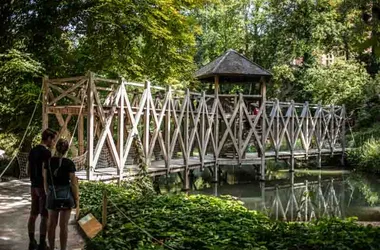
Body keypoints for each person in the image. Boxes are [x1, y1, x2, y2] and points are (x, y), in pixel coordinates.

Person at [43, 138, 79, 250]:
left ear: (56, 147)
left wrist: (48, 193)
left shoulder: (48, 162)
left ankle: (52, 247)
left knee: (51, 225)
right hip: (66, 197)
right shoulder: (69, 163)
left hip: (52, 196)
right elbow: (73, 183)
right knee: (64, 226)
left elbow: (45, 179)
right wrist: (76, 198)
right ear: (67, 149)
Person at [28, 128, 57, 250]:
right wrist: (48, 188)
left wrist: (33, 180)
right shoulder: (46, 153)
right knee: (45, 216)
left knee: (33, 214)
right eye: (53, 139)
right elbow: (46, 173)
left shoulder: (33, 150)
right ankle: (42, 243)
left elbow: (28, 169)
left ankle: (31, 241)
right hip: (42, 187)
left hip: (33, 186)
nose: (53, 142)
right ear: (49, 138)